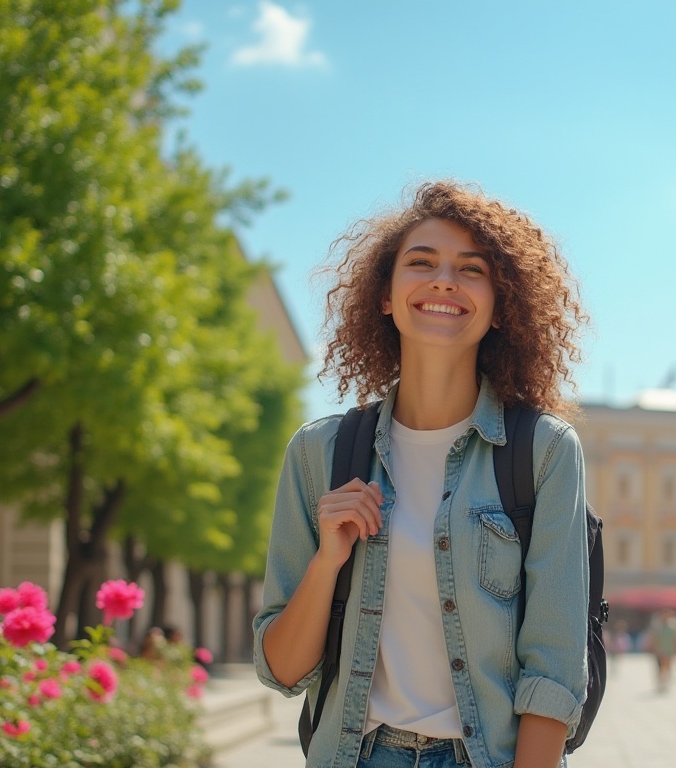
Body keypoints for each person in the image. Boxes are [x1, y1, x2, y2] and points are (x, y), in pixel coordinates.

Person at [253, 181, 591, 768]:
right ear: (385, 295)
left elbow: (555, 666)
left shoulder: (543, 451)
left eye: (472, 269)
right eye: (421, 262)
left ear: (500, 303)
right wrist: (327, 563)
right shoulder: (319, 453)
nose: (444, 281)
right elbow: (283, 670)